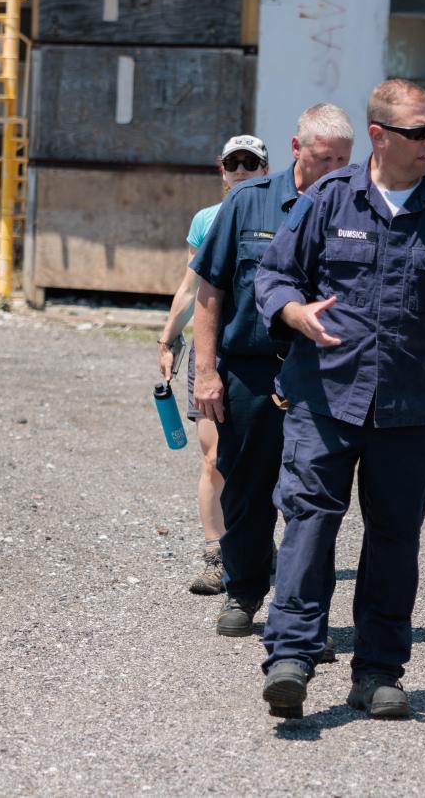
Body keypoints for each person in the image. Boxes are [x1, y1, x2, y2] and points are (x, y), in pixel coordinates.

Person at [254, 79, 425, 721]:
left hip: (408, 410)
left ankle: (380, 671)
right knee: (308, 526)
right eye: (418, 132)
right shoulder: (330, 200)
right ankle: (291, 659)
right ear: (381, 137)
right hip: (323, 400)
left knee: (394, 541)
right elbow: (274, 273)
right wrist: (294, 312)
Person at [189, 104, 355, 639]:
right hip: (251, 372)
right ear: (295, 149)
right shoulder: (247, 202)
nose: (334, 169)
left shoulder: (359, 208)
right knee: (244, 487)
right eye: (323, 157)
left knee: (311, 495)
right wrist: (206, 371)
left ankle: (305, 610)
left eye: (343, 159)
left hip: (324, 375)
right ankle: (243, 591)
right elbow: (210, 290)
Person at [158, 134, 268, 594]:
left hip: (262, 356)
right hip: (212, 354)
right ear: (222, 171)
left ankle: (260, 547)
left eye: (250, 163)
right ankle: (215, 554)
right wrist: (169, 339)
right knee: (214, 458)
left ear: (266, 170)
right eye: (232, 163)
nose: (240, 170)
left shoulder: (282, 213)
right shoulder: (206, 221)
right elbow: (191, 288)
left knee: (267, 461)